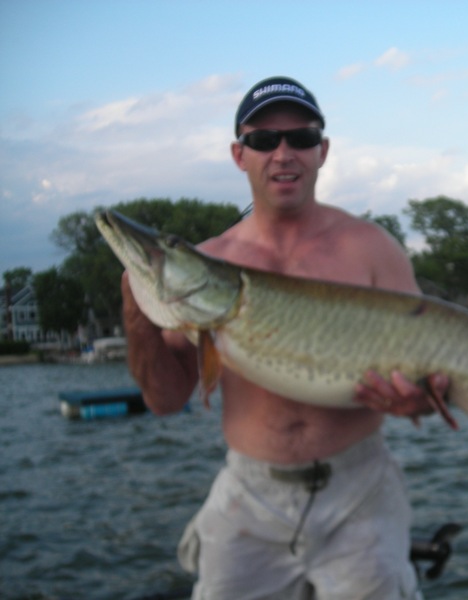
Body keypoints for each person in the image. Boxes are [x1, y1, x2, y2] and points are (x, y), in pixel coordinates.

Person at [121, 76, 449, 600]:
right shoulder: (208, 267)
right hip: (251, 494)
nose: (283, 153)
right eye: (262, 140)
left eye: (300, 138)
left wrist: (422, 399)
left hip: (360, 487)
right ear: (238, 154)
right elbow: (164, 400)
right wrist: (138, 312)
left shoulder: (372, 249)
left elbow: (432, 377)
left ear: (322, 151)